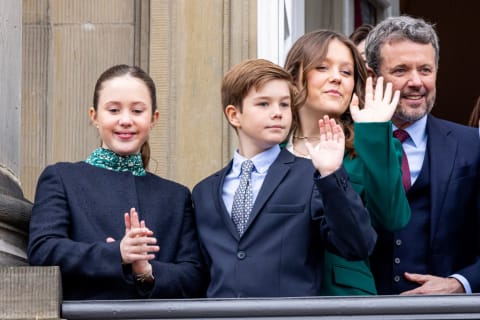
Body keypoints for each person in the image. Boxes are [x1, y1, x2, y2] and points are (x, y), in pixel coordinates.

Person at [192, 58, 376, 298]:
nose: (277, 113)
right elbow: (202, 270)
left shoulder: (311, 175)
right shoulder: (203, 192)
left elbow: (358, 245)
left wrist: (331, 175)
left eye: (284, 105)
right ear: (234, 114)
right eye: (264, 104)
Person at [27, 64, 206, 300]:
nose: (125, 120)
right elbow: (43, 250)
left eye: (137, 111)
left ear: (154, 119)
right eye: (113, 110)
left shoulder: (176, 196)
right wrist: (116, 253)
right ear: (94, 116)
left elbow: (195, 277)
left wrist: (147, 271)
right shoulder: (62, 178)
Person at [283, 30, 410, 295]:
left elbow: (392, 218)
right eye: (322, 67)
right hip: (281, 295)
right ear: (294, 78)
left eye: (346, 72)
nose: (336, 78)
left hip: (345, 298)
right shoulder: (272, 146)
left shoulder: (371, 146)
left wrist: (375, 130)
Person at [365, 16, 480, 295]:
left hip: (450, 314)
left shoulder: (472, 145)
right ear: (372, 77)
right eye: (401, 70)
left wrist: (459, 284)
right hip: (363, 309)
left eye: (425, 70)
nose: (416, 82)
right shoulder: (343, 146)